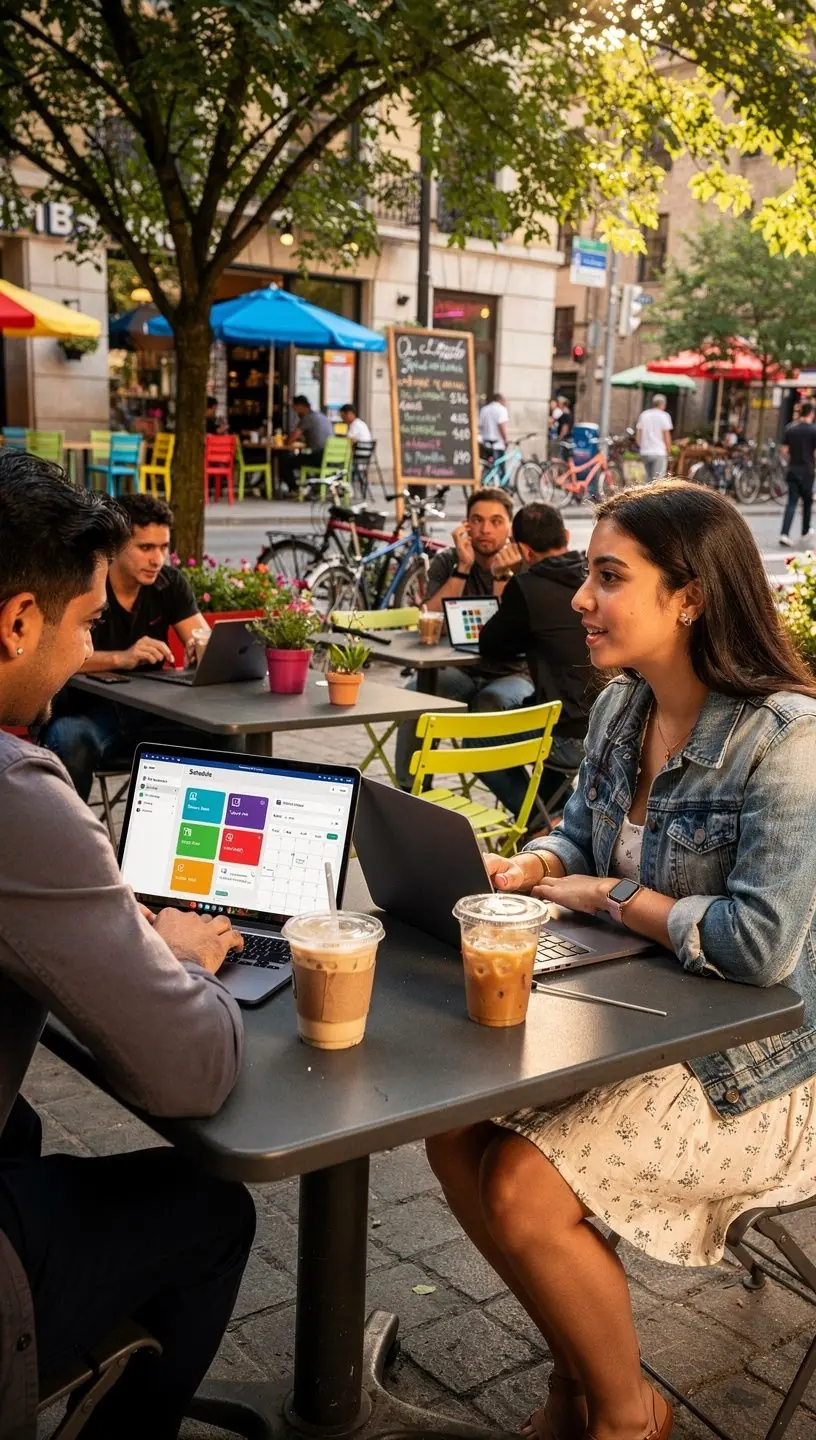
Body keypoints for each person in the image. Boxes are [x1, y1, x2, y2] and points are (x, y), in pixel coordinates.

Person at [426, 480, 816, 1440]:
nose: (577, 599)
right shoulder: (621, 709)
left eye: (609, 577)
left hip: (766, 1068)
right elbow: (584, 836)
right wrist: (538, 862)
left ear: (689, 596)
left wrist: (609, 898)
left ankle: (624, 1418)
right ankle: (582, 1378)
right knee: (449, 1133)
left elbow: (761, 947)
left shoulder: (788, 742)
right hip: (637, 1019)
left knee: (519, 1184)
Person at [0, 449, 254, 1440]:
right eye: (80, 626)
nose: (84, 647)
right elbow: (190, 1071)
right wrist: (182, 960)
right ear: (19, 621)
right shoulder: (20, 792)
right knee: (213, 1211)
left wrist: (98, 926)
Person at [41, 491, 211, 803]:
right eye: (146, 547)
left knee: (228, 736)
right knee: (69, 739)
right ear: (117, 547)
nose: (157, 559)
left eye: (163, 547)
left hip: (153, 712)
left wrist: (201, 653)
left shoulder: (169, 583)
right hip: (88, 712)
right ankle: (68, 843)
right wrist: (123, 657)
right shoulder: (86, 584)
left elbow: (204, 640)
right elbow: (54, 656)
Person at [394, 488, 533, 791]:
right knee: (417, 694)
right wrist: (463, 568)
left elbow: (505, 636)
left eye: (496, 521)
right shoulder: (448, 560)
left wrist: (502, 577)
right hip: (460, 672)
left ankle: (525, 811)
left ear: (510, 526)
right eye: (477, 520)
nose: (485, 529)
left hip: (512, 673)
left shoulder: (525, 564)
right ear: (465, 525)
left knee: (490, 702)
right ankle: (410, 793)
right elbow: (429, 623)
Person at [477, 502, 593, 819]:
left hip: (564, 733)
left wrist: (503, 576)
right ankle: (560, 821)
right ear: (567, 535)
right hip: (606, 725)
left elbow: (491, 646)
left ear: (524, 552)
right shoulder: (596, 575)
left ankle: (544, 823)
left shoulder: (527, 586)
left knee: (478, 743)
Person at [779, 398, 816, 548]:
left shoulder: (790, 428)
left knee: (792, 503)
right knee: (807, 502)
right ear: (811, 414)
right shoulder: (813, 430)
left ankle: (784, 533)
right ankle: (805, 531)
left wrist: (791, 458)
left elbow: (783, 451)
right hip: (807, 471)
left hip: (793, 469)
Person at [280, 395, 333, 493]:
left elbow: (291, 439)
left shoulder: (307, 418)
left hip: (319, 457)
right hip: (332, 458)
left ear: (300, 406)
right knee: (300, 457)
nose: (294, 410)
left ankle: (294, 489)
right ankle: (309, 485)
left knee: (285, 461)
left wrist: (287, 440)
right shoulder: (322, 416)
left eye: (294, 407)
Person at [635, 393, 673, 482]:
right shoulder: (664, 415)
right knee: (657, 481)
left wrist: (641, 445)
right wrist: (669, 451)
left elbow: (638, 434)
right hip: (658, 451)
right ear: (663, 404)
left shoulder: (644, 414)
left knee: (647, 479)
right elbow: (666, 436)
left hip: (645, 451)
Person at [478, 392, 510, 460]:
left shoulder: (484, 409)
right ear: (500, 400)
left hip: (485, 442)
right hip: (498, 444)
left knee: (487, 465)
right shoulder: (502, 409)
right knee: (499, 467)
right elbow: (501, 426)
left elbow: (480, 425)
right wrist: (505, 440)